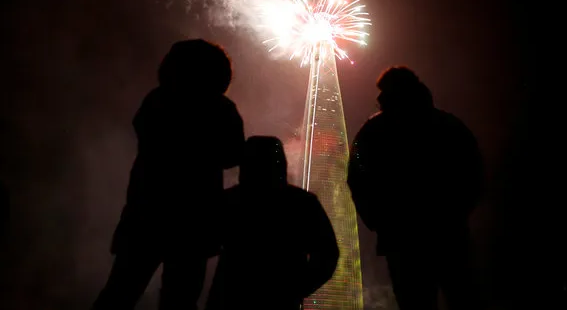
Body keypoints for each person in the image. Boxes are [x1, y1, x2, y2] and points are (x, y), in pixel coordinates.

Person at [93, 39, 245, 310]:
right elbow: (232, 156)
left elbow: (144, 134)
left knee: (119, 293)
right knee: (180, 300)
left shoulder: (157, 99)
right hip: (193, 221)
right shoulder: (222, 108)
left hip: (146, 213)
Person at [348, 66, 483, 310]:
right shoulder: (448, 125)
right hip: (448, 234)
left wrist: (380, 221)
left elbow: (358, 178)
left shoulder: (373, 132)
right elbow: (474, 173)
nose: (379, 98)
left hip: (402, 238)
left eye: (385, 92)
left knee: (415, 302)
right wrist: (457, 214)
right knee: (461, 297)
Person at [206, 136, 339, 310]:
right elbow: (327, 254)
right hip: (281, 299)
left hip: (230, 296)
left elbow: (203, 245)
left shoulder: (228, 200)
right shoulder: (303, 203)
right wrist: (298, 288)